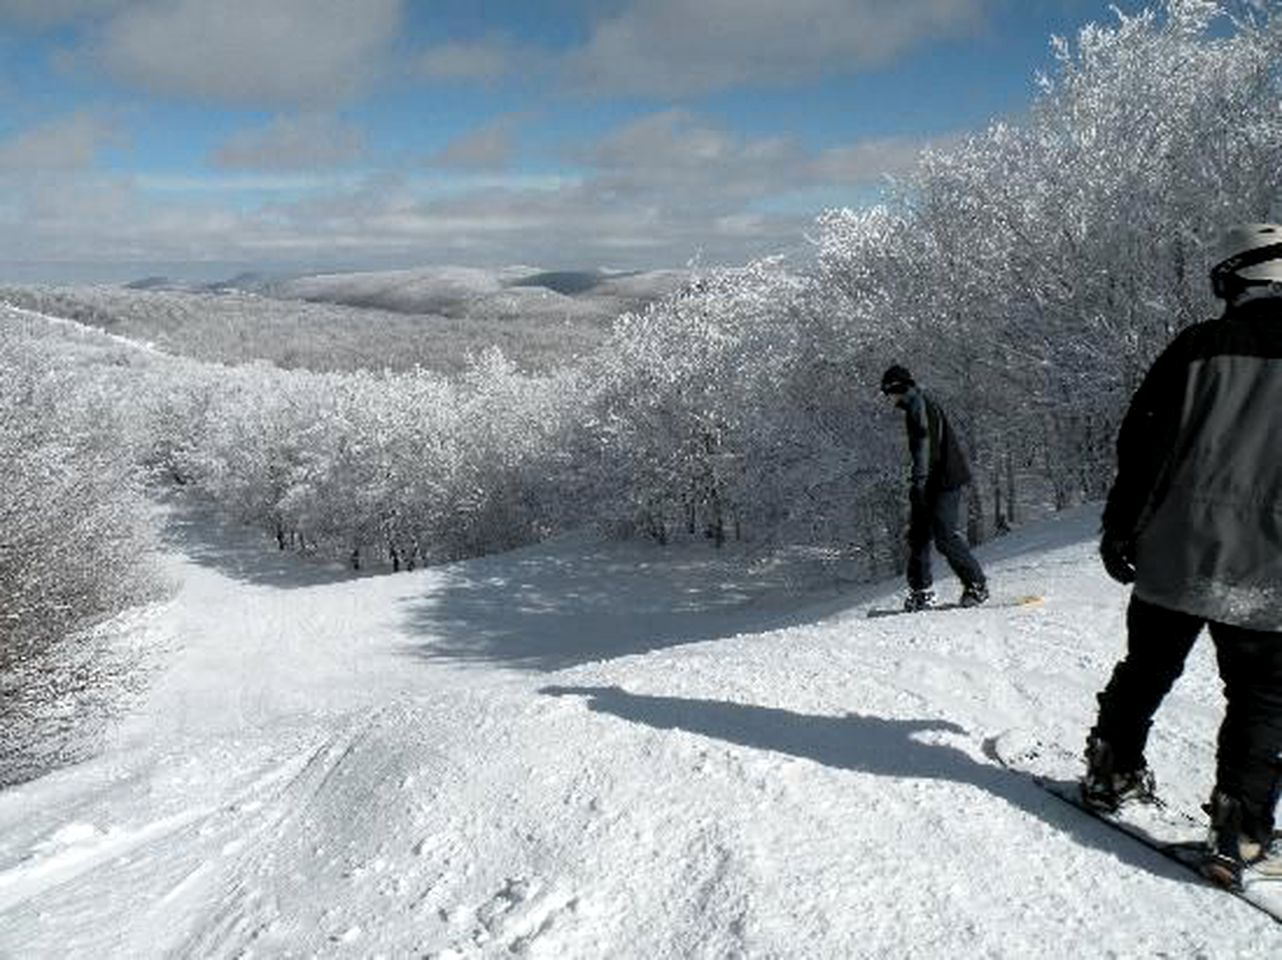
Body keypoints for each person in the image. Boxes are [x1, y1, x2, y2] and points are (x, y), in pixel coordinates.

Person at [1083, 222, 1282, 888]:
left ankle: (1111, 770)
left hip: (1178, 551)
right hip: (1270, 568)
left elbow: (1144, 446)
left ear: (1236, 278)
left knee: (1147, 667)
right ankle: (1242, 835)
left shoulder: (1196, 347)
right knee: (1261, 699)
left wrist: (1120, 527)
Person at [879, 365, 988, 611]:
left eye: (889, 393)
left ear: (898, 388)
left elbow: (924, 447)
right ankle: (921, 592)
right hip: (931, 480)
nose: (890, 399)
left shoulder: (919, 406)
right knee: (918, 535)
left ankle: (976, 585)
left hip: (943, 480)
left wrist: (919, 482)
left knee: (944, 535)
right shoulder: (916, 405)